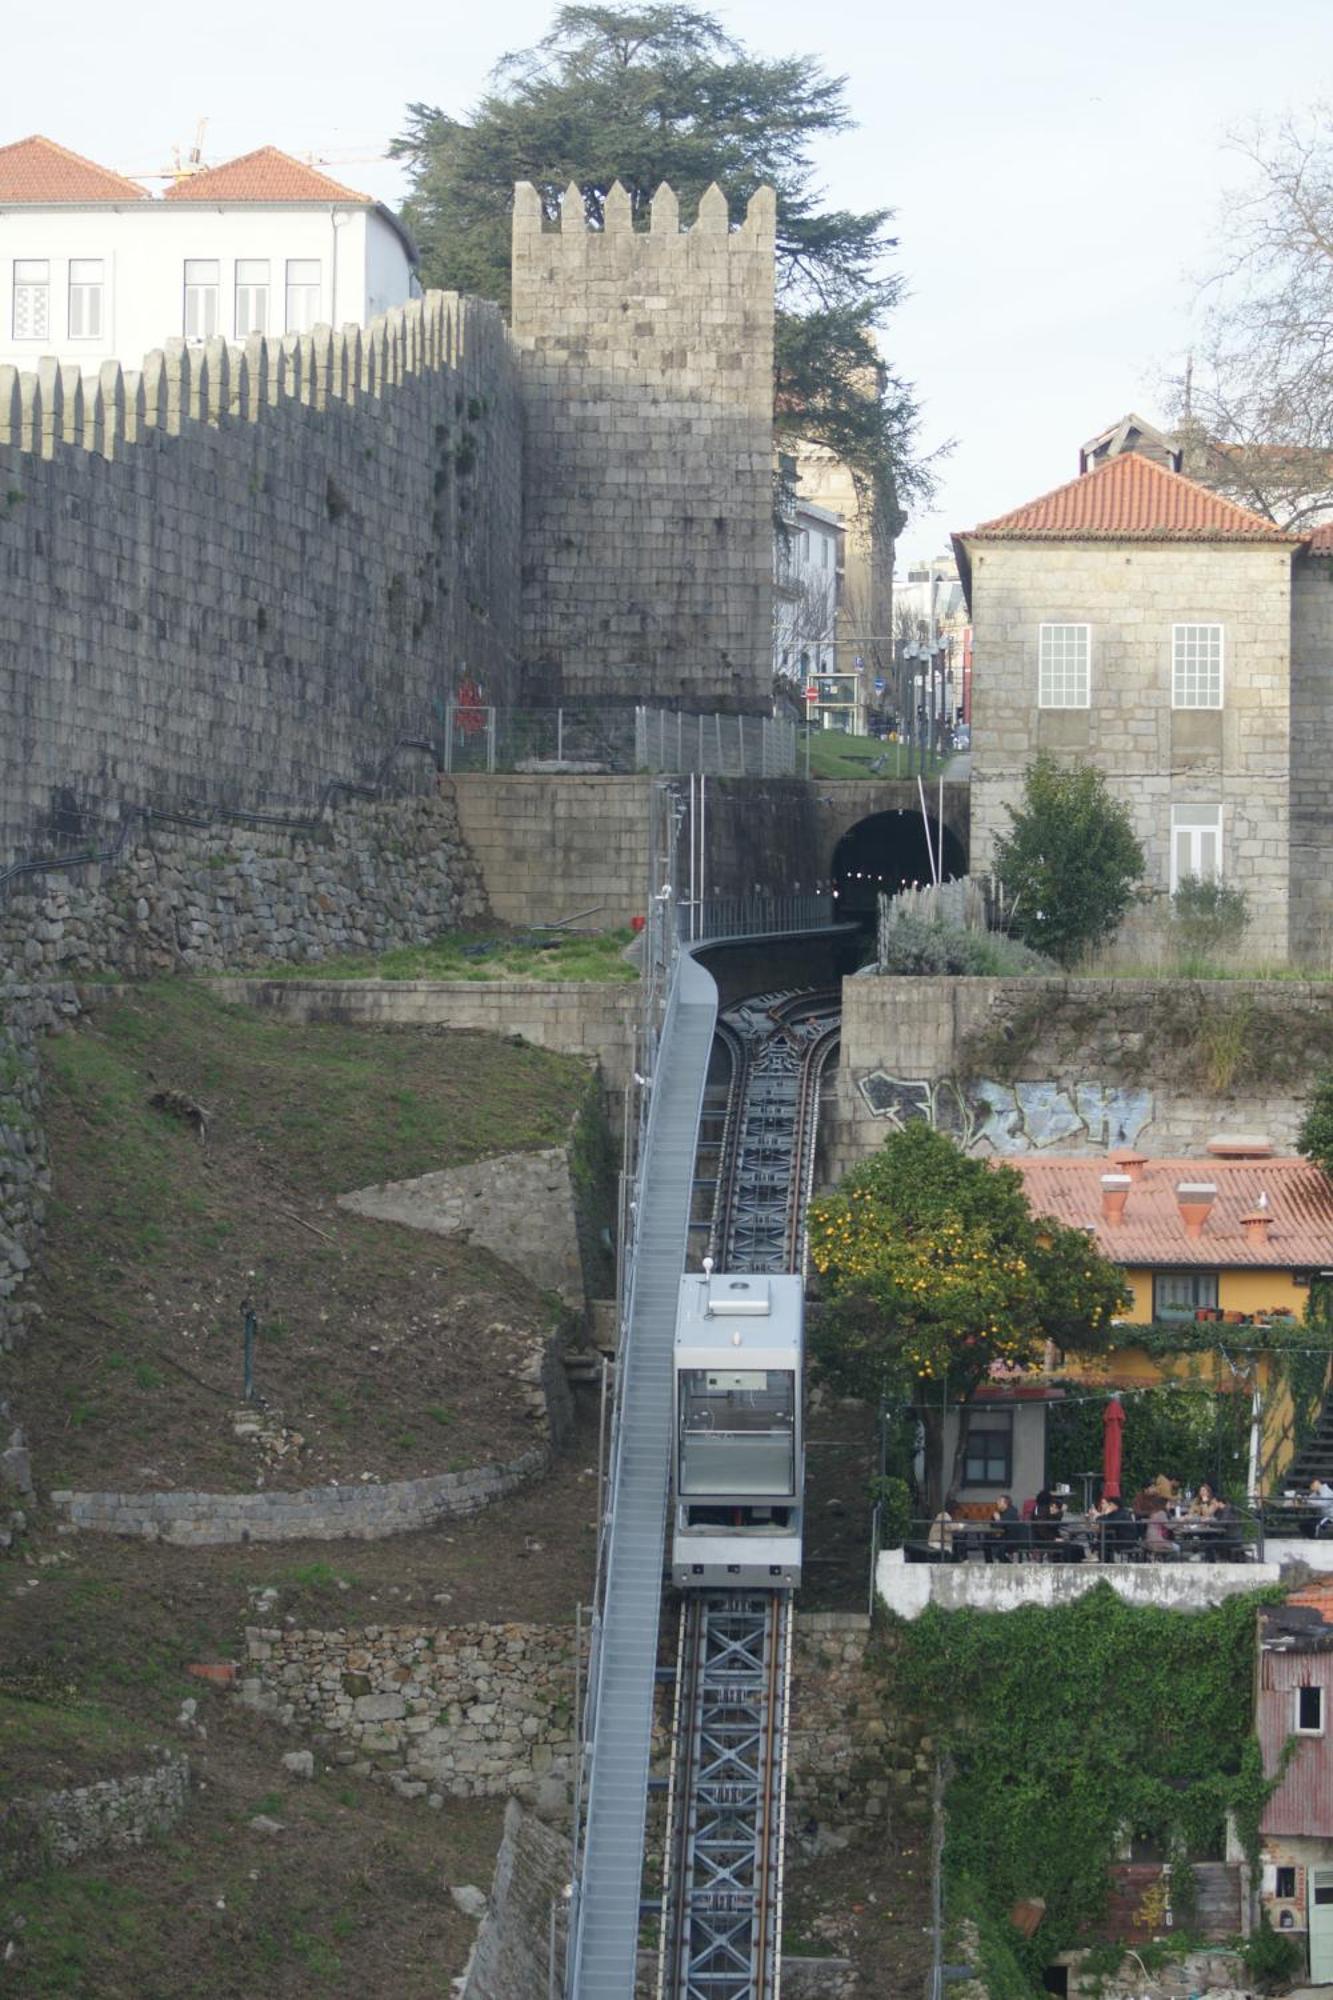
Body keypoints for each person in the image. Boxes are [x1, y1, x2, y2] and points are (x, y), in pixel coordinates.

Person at [988, 1493, 1023, 1563]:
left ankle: (1007, 1563)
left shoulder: (1010, 1513)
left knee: (991, 1545)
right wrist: (995, 1518)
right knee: (988, 1542)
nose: (997, 1503)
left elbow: (998, 1526)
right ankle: (991, 1563)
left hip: (1011, 1541)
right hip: (1006, 1538)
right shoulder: (1004, 1512)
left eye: (1000, 1501)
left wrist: (998, 1520)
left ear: (1005, 1503)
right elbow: (992, 1525)